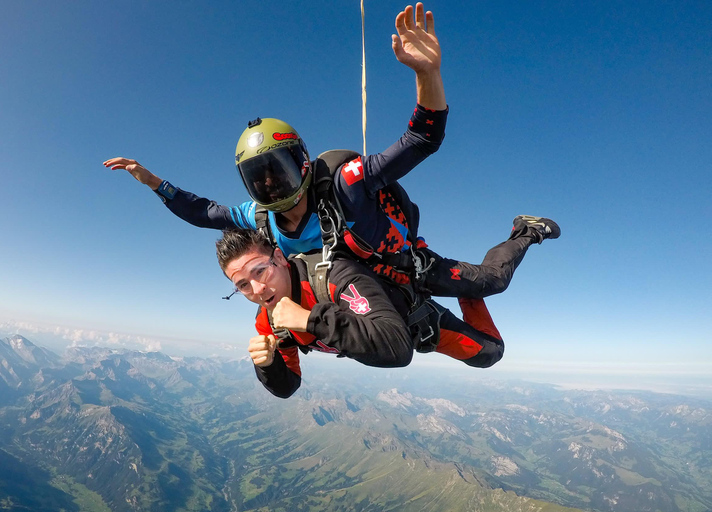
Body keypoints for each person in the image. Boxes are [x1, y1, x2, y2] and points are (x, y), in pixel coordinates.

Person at [103, 3, 559, 299]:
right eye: (258, 178)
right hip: (354, 281)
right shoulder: (257, 216)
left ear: (303, 163)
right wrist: (154, 183)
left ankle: (523, 231)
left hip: (400, 265)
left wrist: (428, 74)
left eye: (276, 171)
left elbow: (421, 139)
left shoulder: (346, 184)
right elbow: (203, 212)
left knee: (490, 283)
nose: (270, 185)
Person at [216, 228, 504, 398]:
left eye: (260, 271)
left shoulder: (335, 278)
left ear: (278, 257)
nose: (257, 288)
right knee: (487, 356)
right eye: (242, 284)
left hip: (418, 321)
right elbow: (288, 386)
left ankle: (520, 238)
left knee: (490, 352)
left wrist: (310, 320)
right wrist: (267, 365)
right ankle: (466, 288)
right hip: (390, 335)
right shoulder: (268, 320)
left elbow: (398, 349)